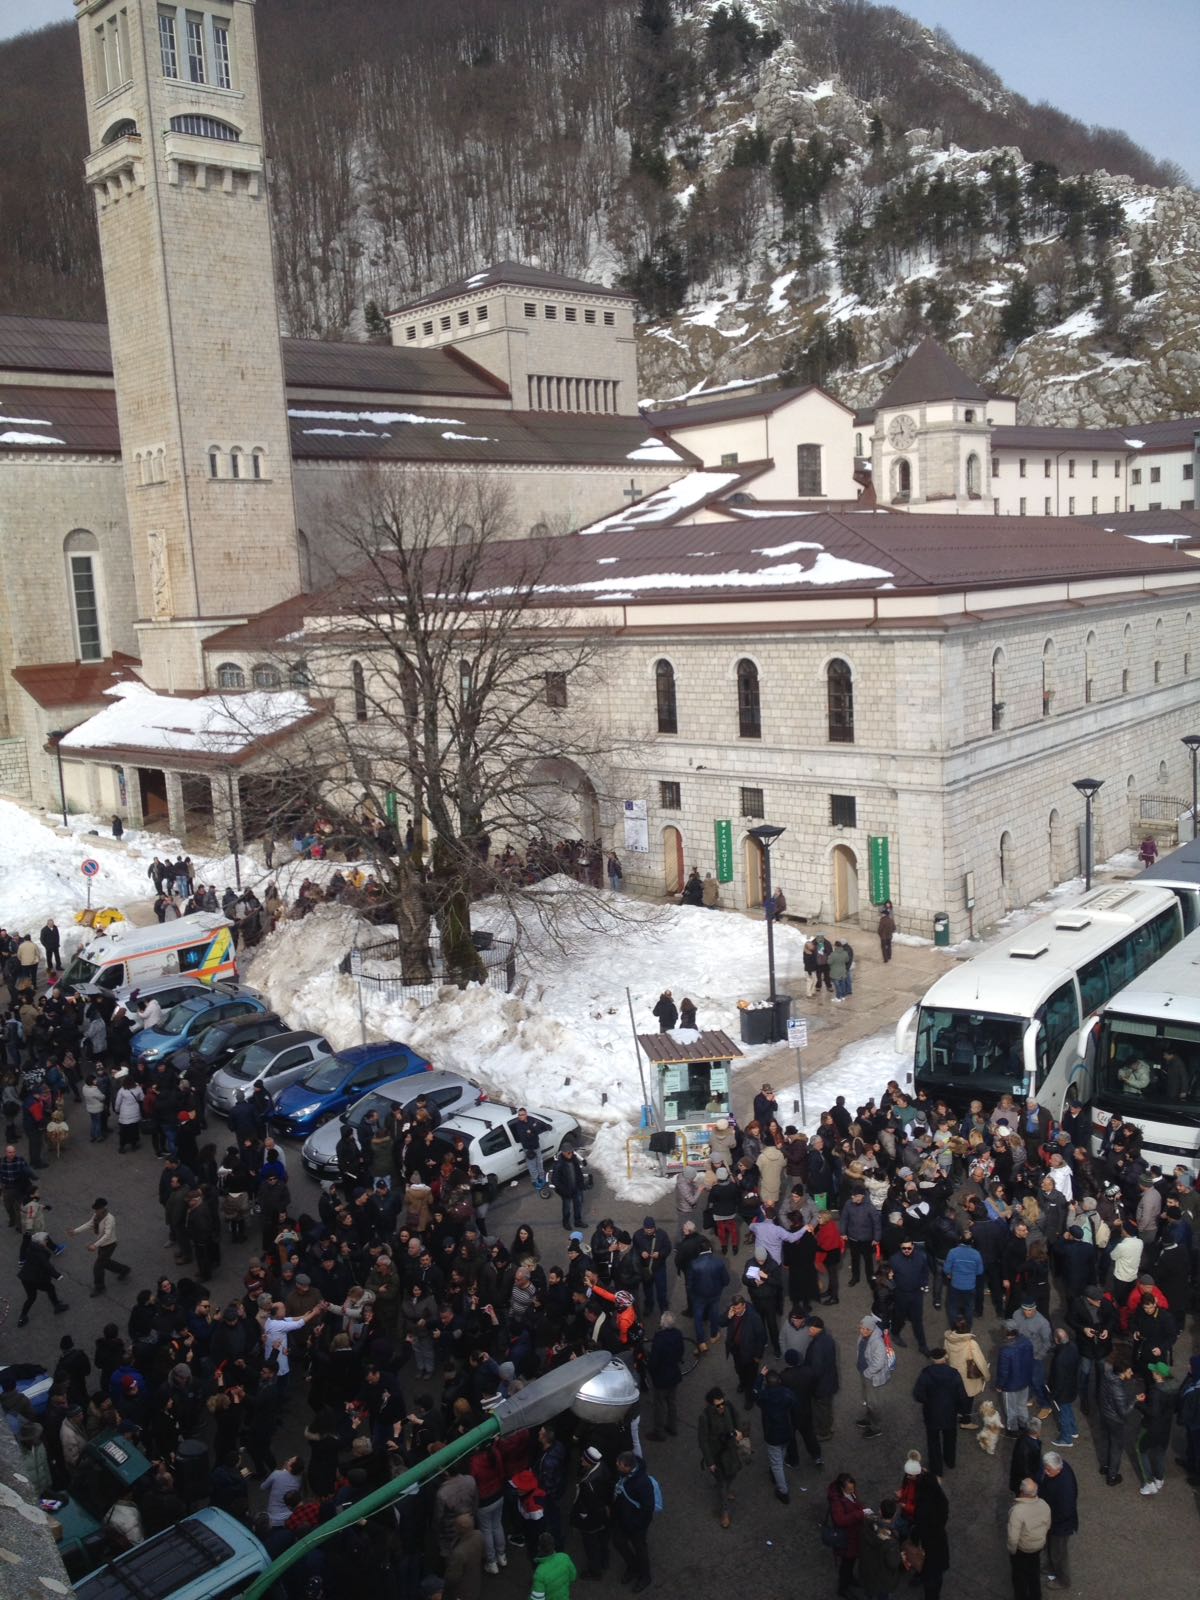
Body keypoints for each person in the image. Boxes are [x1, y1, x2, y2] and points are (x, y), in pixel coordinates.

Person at [912, 1348, 970, 1477]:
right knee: (950, 1439)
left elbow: (918, 1394)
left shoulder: (926, 1373)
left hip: (931, 1413)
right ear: (946, 1357)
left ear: (932, 1359)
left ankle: (937, 1469)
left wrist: (928, 1401)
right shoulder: (954, 1373)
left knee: (933, 1442)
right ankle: (950, 1461)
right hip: (950, 1413)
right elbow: (962, 1395)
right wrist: (962, 1411)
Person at [698, 1385, 743, 1526]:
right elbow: (703, 1441)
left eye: (722, 1403)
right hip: (717, 1455)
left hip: (730, 1450)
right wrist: (710, 1462)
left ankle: (726, 1489)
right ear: (711, 1405)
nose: (722, 1407)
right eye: (718, 1405)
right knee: (722, 1483)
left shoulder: (728, 1407)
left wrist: (738, 1431)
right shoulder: (705, 1417)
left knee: (734, 1472)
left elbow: (737, 1418)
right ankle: (725, 1512)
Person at [610, 1450, 653, 1595]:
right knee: (618, 1542)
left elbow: (648, 1508)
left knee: (640, 1548)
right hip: (623, 1519)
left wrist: (637, 1525)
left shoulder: (642, 1483)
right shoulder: (625, 1475)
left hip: (635, 1524)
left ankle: (645, 1576)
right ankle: (633, 1566)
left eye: (619, 1464)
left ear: (628, 1467)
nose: (616, 1465)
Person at [70, 1197, 131, 1296]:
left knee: (98, 1267)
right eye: (95, 1209)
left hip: (109, 1245)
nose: (95, 1211)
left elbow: (107, 1235)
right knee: (105, 1263)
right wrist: (75, 1231)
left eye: (97, 1209)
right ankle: (124, 1270)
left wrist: (94, 1245)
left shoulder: (110, 1219)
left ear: (103, 1208)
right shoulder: (97, 1215)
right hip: (102, 1245)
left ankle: (100, 1287)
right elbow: (89, 1224)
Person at [1037, 1450, 1078, 1590]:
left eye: (1048, 1470)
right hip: (1052, 1520)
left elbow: (1064, 1512)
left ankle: (1063, 1580)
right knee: (1050, 1548)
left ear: (1058, 1468)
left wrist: (1047, 1521)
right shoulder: (1060, 1466)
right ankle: (1049, 1567)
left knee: (1058, 1554)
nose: (1046, 1472)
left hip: (1060, 1526)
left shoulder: (1064, 1487)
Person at [1007, 1477, 1051, 1600]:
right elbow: (1047, 1525)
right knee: (1034, 1574)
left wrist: (1012, 1550)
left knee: (1019, 1576)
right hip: (1037, 1547)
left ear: (1022, 1492)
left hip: (1023, 1549)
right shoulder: (1044, 1504)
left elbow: (1013, 1538)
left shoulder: (1017, 1511)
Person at [826, 1472, 867, 1599]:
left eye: (853, 1488)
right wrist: (859, 1514)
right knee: (846, 1564)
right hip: (847, 1539)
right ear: (842, 1488)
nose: (853, 1491)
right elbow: (840, 1520)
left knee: (851, 1561)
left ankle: (849, 1579)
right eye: (850, 1489)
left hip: (853, 1535)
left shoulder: (849, 1494)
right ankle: (843, 1588)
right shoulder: (837, 1502)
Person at [15, 1231, 69, 1327]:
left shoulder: (31, 1248)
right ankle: (57, 1306)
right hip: (37, 1278)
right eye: (45, 1240)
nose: (46, 1241)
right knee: (50, 1288)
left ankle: (22, 1316)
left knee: (31, 1298)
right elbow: (47, 1266)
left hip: (25, 1278)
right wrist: (57, 1275)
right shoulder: (40, 1252)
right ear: (41, 1242)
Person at [645, 1312, 684, 1440]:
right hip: (674, 1374)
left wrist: (650, 1369)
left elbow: (654, 1361)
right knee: (672, 1402)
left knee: (659, 1405)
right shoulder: (678, 1334)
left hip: (661, 1378)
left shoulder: (659, 1339)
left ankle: (659, 1432)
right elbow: (681, 1352)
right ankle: (672, 1427)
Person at [856, 1313, 891, 1439]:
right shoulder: (863, 1336)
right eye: (862, 1328)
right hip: (864, 1373)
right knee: (867, 1399)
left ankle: (876, 1428)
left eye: (867, 1329)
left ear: (871, 1329)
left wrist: (867, 1373)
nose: (863, 1331)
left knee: (873, 1403)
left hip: (871, 1376)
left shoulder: (877, 1343)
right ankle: (868, 1419)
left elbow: (879, 1363)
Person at [996, 1323, 1034, 1434]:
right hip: (1025, 1381)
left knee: (1010, 1409)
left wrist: (999, 1385)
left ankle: (1012, 1430)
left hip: (1010, 1385)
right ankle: (1024, 1425)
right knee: (1022, 1405)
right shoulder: (1027, 1342)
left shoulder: (1006, 1350)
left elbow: (1003, 1372)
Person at [550, 1144, 587, 1232]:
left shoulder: (574, 1159)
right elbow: (554, 1180)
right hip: (566, 1191)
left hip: (576, 1188)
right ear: (563, 1153)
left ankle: (577, 1221)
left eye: (571, 1152)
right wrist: (563, 1190)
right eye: (568, 1152)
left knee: (578, 1206)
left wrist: (581, 1184)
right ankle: (566, 1222)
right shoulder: (559, 1163)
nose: (570, 1154)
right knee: (567, 1208)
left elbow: (578, 1172)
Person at [529, 1532, 576, 1600]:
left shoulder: (540, 1573)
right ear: (554, 1545)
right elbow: (573, 1577)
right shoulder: (564, 1557)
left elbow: (537, 1598)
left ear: (539, 1548)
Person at [513, 1107, 546, 1189]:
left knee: (540, 1163)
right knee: (532, 1166)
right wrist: (531, 1132)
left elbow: (537, 1128)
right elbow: (523, 1137)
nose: (520, 1116)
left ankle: (542, 1178)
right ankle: (535, 1181)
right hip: (528, 1149)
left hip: (536, 1146)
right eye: (519, 1115)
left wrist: (531, 1131)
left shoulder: (531, 1120)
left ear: (526, 1114)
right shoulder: (518, 1125)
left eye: (522, 1114)